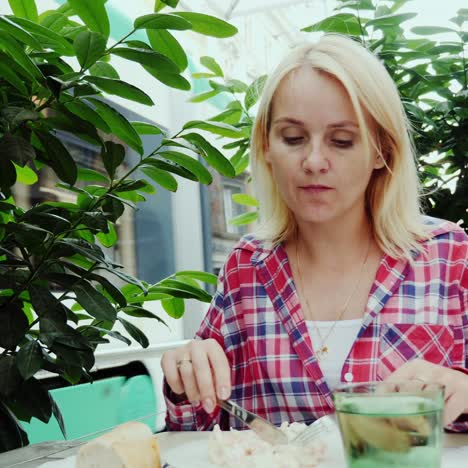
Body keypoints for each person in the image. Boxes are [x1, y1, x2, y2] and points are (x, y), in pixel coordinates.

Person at [161, 34, 468, 433]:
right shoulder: (247, 268)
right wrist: (185, 381)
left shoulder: (447, 257)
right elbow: (196, 431)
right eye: (293, 138)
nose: (314, 161)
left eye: (342, 141)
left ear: (381, 151)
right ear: (266, 147)